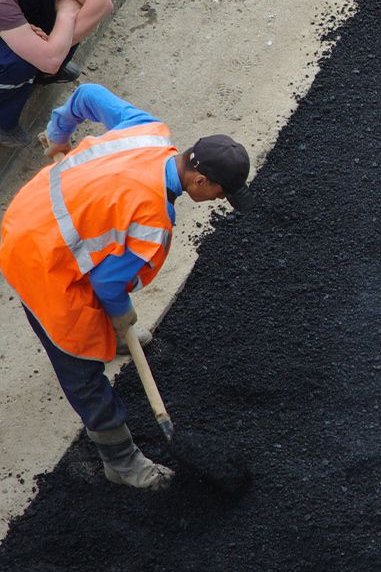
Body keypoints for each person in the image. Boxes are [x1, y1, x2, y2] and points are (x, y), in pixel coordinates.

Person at [0, 83, 253, 490]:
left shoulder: (149, 132)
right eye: (221, 193)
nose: (218, 199)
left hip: (29, 210)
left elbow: (88, 94)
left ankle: (112, 335)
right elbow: (106, 284)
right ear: (201, 181)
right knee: (80, 361)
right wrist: (123, 316)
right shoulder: (153, 222)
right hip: (38, 259)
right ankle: (121, 461)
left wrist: (59, 130)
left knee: (105, 303)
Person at [0, 0, 113, 147]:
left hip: (16, 23)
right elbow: (50, 58)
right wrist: (65, 15)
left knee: (76, 1)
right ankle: (4, 122)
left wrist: (53, 46)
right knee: (18, 63)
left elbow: (101, 1)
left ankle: (41, 74)